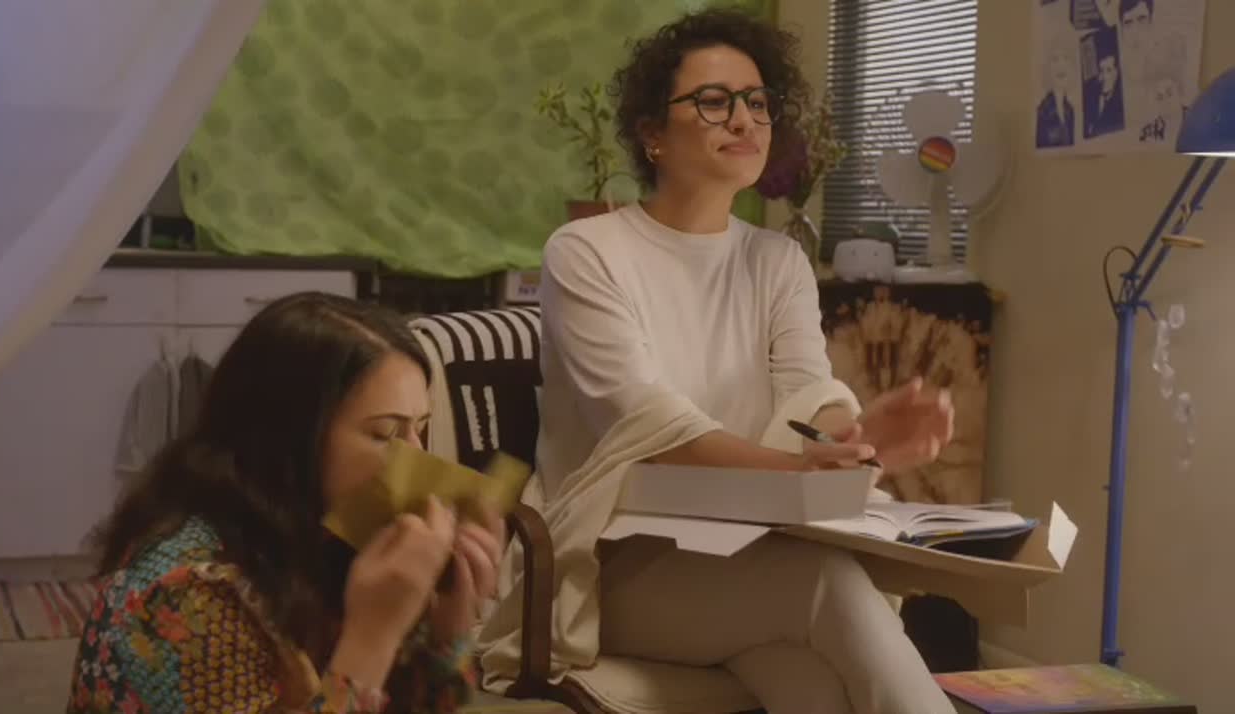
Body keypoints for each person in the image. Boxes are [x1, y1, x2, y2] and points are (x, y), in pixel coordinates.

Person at [477, 9, 956, 714]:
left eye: (757, 103)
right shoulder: (586, 252)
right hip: (606, 567)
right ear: (652, 133)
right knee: (825, 583)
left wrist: (853, 439)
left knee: (816, 689)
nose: (744, 120)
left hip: (746, 551)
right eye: (713, 101)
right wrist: (804, 470)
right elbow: (648, 424)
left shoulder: (778, 260)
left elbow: (807, 393)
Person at [65, 292, 505, 713]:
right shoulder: (190, 591)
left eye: (420, 429)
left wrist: (447, 631)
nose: (417, 458)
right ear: (293, 438)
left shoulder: (335, 535)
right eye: (385, 433)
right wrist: (373, 636)